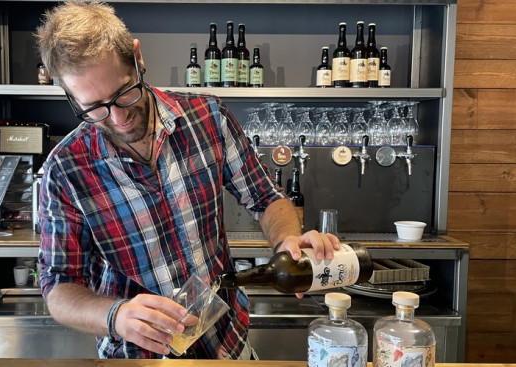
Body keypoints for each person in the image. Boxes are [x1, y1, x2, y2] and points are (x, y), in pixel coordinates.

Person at [35, 1, 340, 359]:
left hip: (227, 345)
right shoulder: (66, 168)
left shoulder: (207, 117)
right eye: (94, 107)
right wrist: (115, 315)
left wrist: (288, 239)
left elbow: (265, 197)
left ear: (137, 57)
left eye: (124, 92)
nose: (117, 118)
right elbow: (58, 286)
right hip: (136, 357)